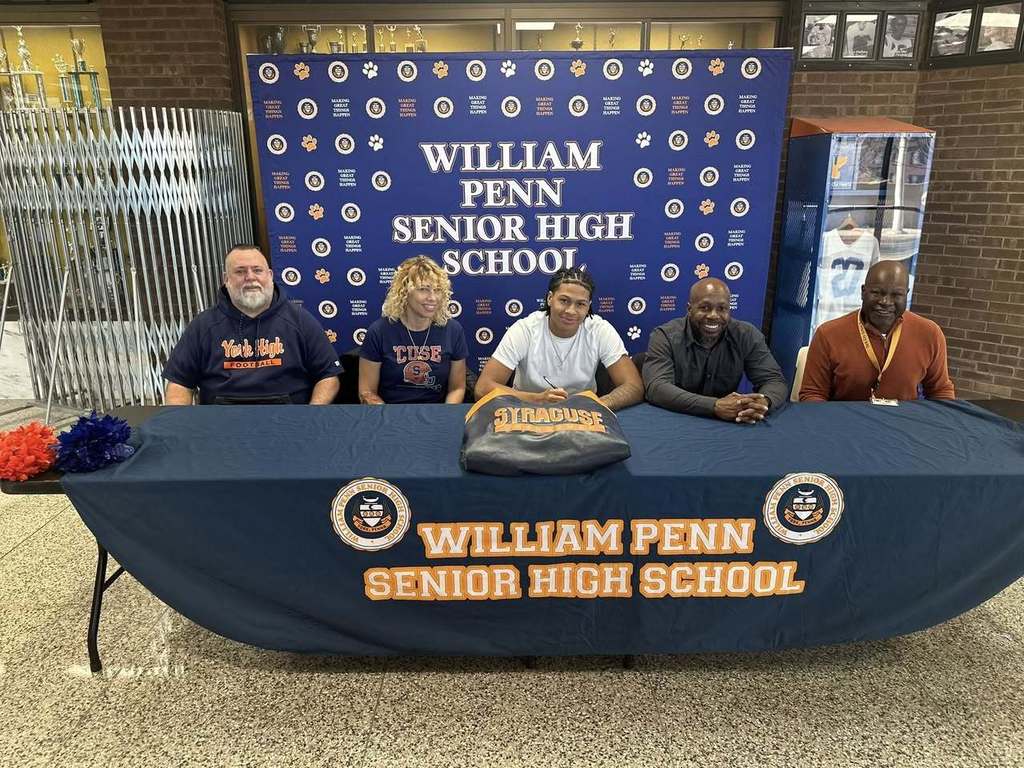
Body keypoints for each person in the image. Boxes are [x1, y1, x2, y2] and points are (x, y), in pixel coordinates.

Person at [163, 244, 341, 405]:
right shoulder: (203, 326)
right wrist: (180, 422)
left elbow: (328, 376)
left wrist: (311, 416)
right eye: (240, 271)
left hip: (289, 424)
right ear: (226, 279)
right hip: (219, 425)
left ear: (270, 275)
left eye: (257, 270)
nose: (250, 277)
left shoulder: (300, 321)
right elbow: (179, 383)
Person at [474, 267, 642, 411]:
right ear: (549, 298)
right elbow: (482, 388)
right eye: (564, 301)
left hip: (583, 416)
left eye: (580, 304)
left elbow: (633, 386)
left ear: (588, 306)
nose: (571, 310)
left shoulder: (600, 330)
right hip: (528, 410)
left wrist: (598, 404)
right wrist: (537, 399)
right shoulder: (525, 329)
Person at [799, 260, 955, 402]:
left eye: (896, 295)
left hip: (904, 427)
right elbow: (812, 394)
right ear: (863, 292)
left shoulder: (929, 333)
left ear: (906, 295)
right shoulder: (828, 334)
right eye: (877, 293)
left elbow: (940, 391)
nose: (885, 302)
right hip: (844, 426)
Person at [643, 278, 788, 423]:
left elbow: (773, 380)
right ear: (689, 309)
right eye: (705, 308)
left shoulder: (746, 335)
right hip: (675, 420)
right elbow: (657, 388)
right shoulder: (664, 336)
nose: (713, 315)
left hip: (727, 425)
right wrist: (714, 406)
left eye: (722, 309)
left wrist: (762, 403)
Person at [359, 256, 467, 404]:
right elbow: (366, 392)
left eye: (437, 290)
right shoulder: (379, 331)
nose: (433, 297)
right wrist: (385, 418)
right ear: (404, 292)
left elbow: (457, 388)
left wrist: (444, 417)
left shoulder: (453, 330)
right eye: (423, 289)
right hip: (389, 415)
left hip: (436, 416)